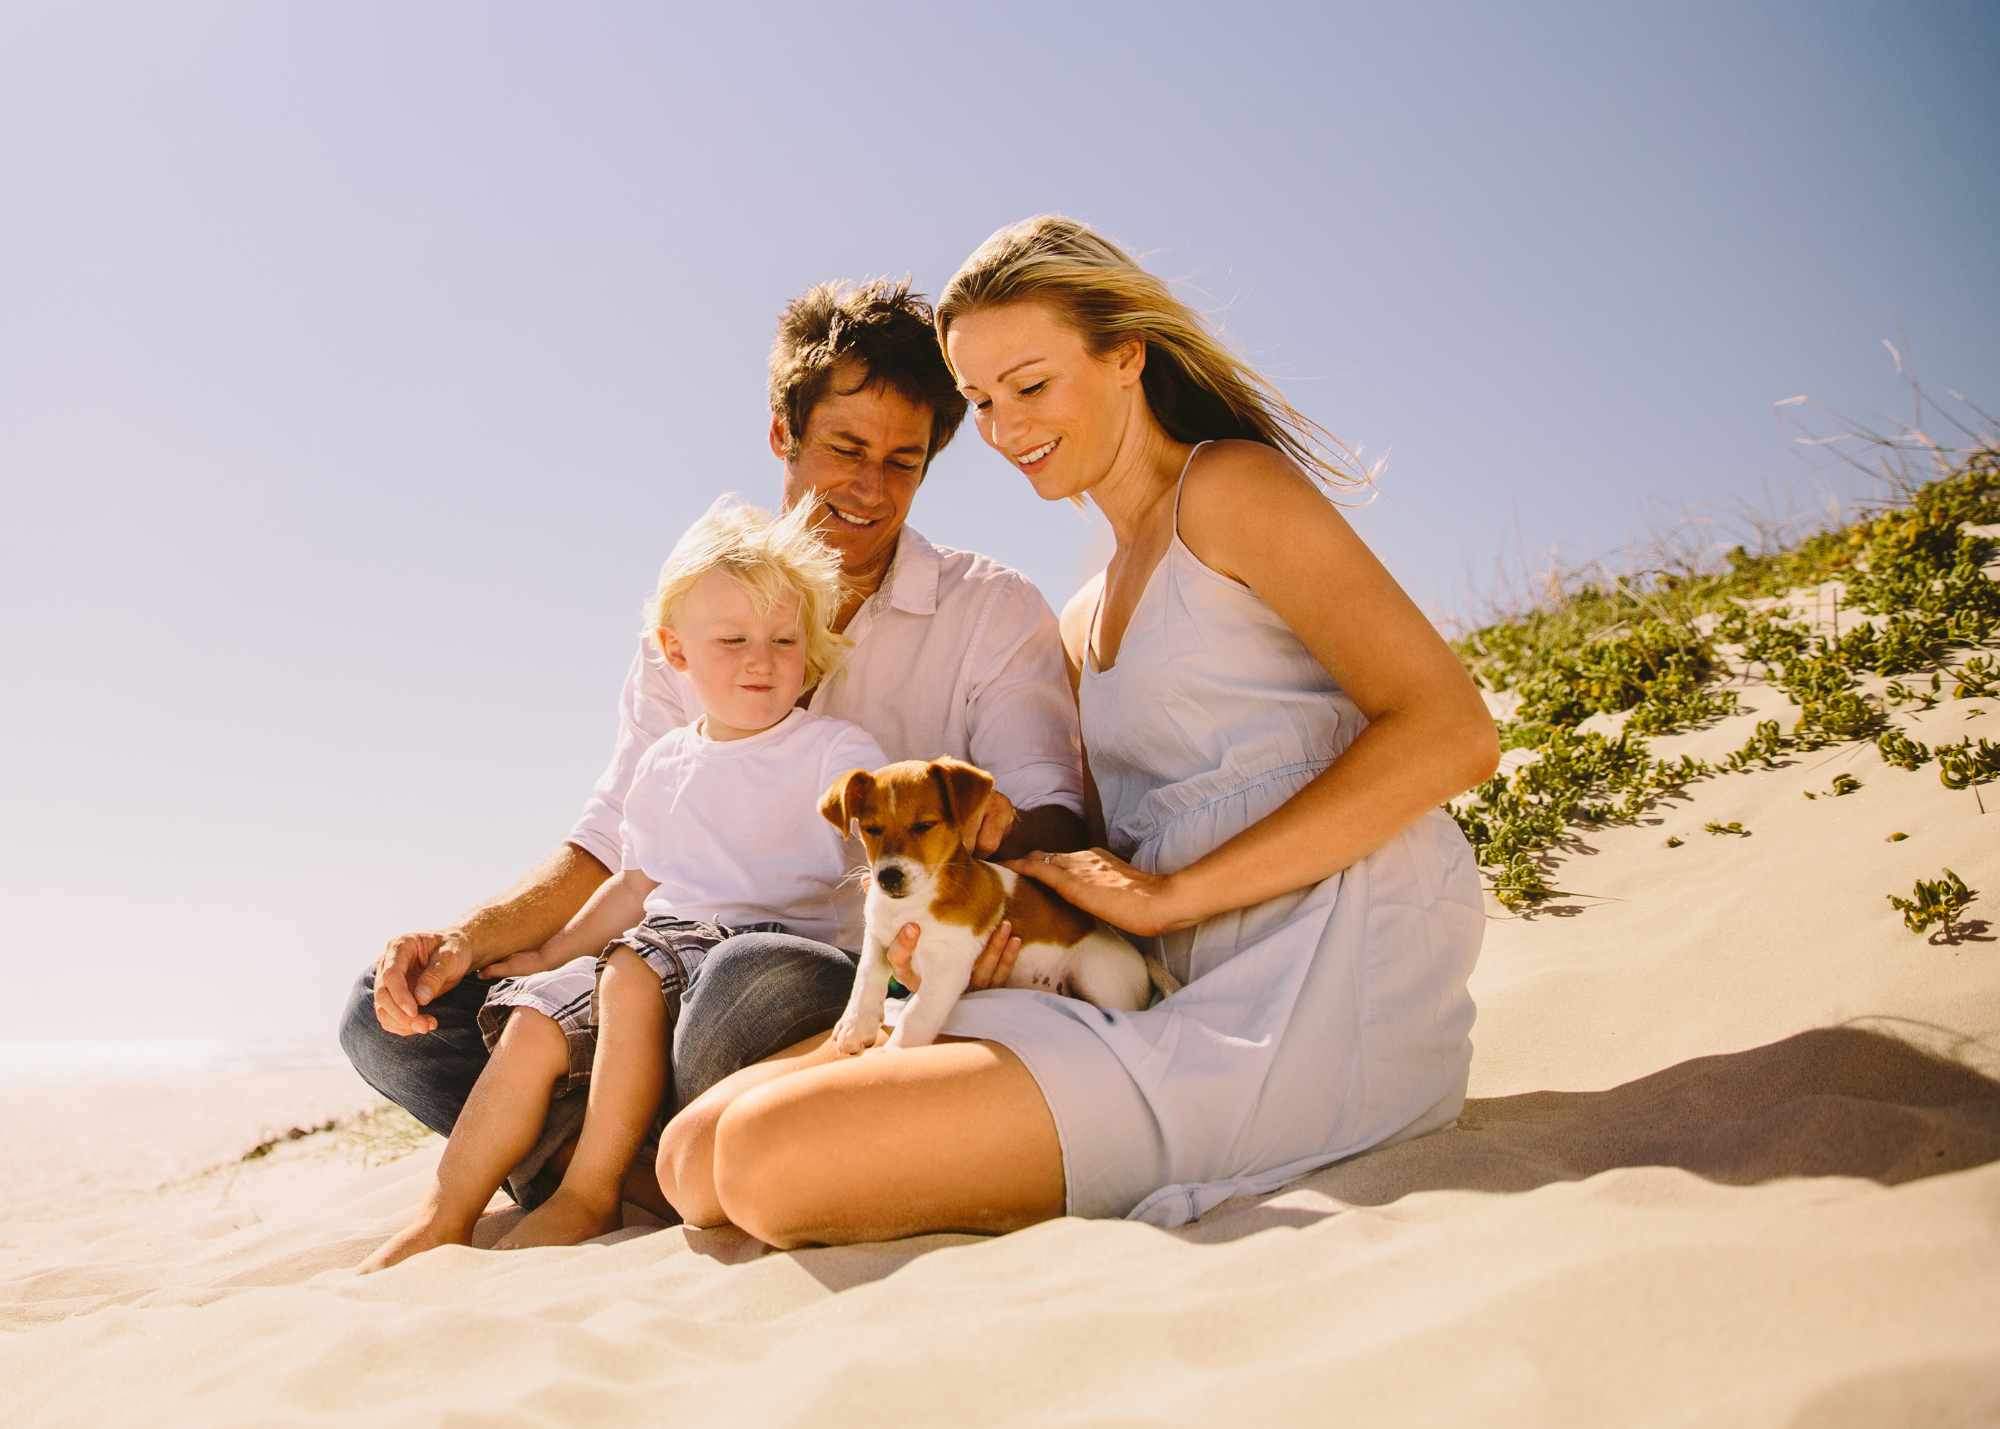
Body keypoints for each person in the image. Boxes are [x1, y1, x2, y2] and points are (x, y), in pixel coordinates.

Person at [653, 216, 1500, 1244]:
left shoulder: (1229, 488)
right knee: (690, 1156)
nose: (1006, 428)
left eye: (1030, 384)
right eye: (980, 400)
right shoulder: (1081, 613)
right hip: (1153, 981)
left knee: (762, 1162)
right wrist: (1009, 912)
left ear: (1124, 353)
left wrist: (1168, 896)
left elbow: (1452, 733)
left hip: (1316, 979)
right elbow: (1096, 851)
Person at [339, 279, 1086, 1208]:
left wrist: (972, 907)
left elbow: (1046, 808)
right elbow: (616, 838)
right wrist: (466, 942)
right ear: (784, 434)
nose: (870, 489)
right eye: (844, 450)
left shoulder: (990, 608)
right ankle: (646, 1164)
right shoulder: (699, 608)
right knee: (386, 1022)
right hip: (661, 958)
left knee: (741, 982)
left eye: (903, 462)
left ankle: (626, 1161)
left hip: (839, 970)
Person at [361, 501, 887, 1270]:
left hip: (765, 954)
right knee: (539, 1019)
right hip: (657, 945)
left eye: (783, 639)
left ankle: (588, 1191)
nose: (761, 660)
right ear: (677, 653)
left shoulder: (830, 748)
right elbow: (637, 881)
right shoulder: (667, 761)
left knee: (633, 970)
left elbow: (884, 836)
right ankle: (444, 1215)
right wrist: (552, 952)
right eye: (733, 640)